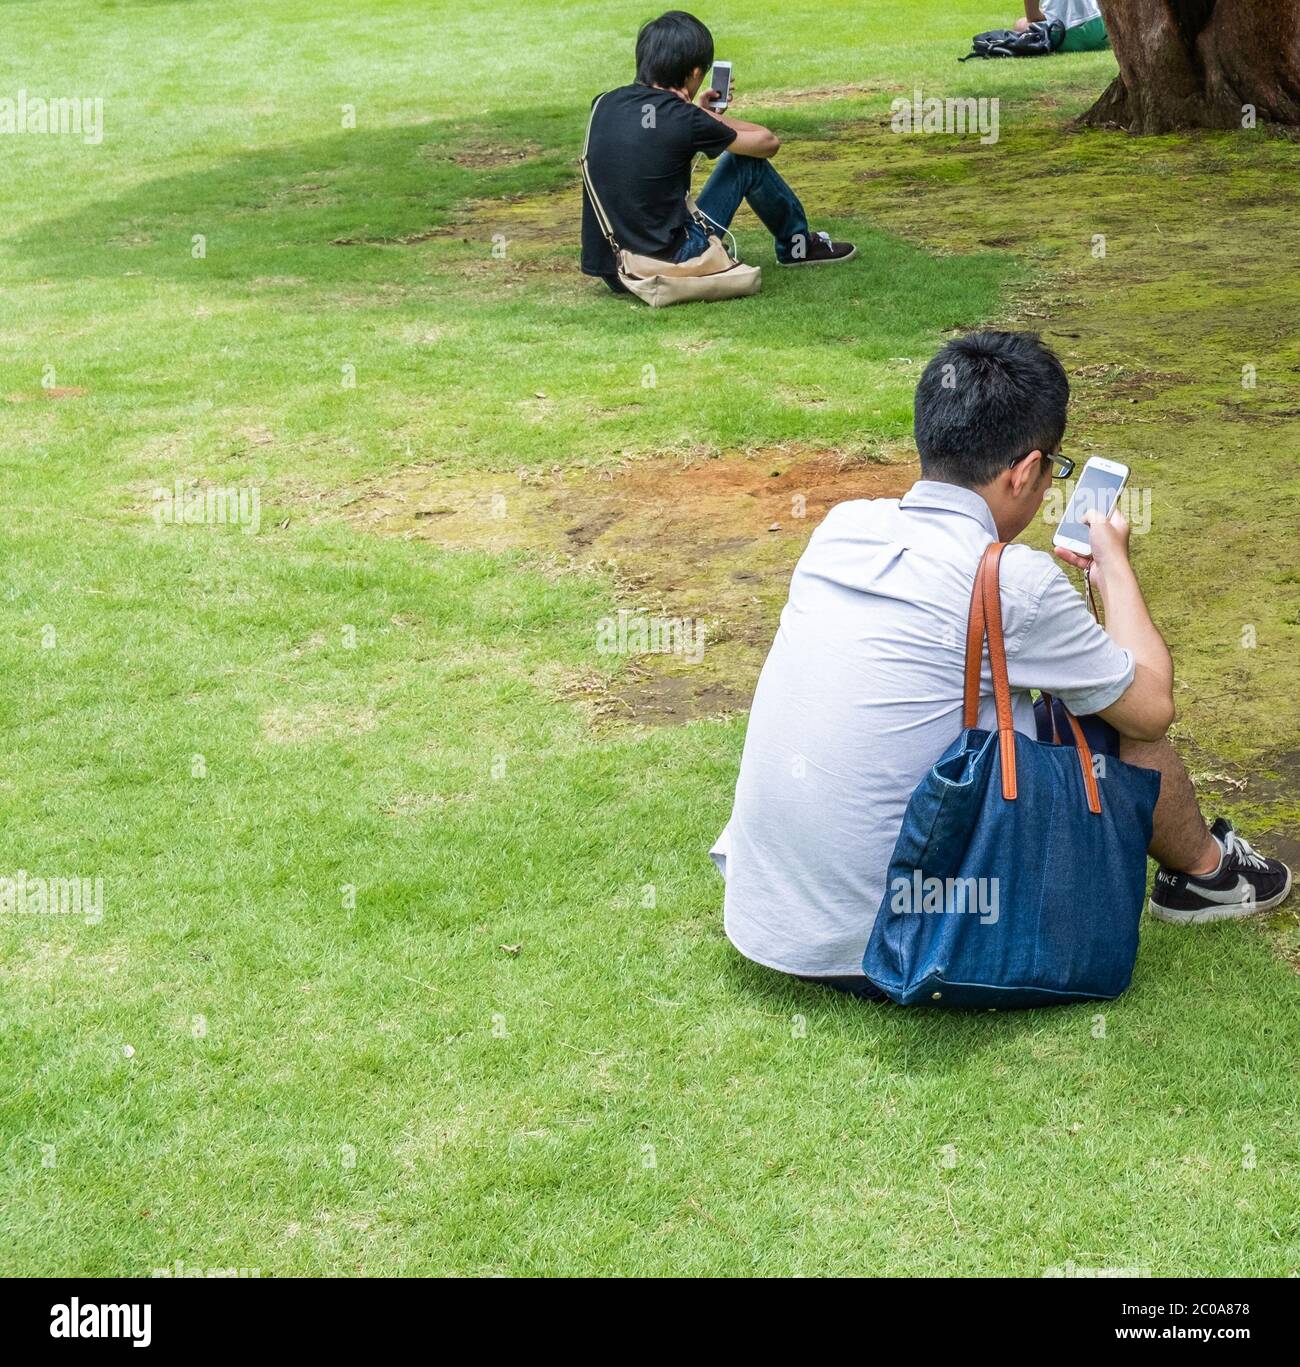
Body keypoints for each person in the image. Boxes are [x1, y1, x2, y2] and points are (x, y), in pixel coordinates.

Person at [710, 331, 1292, 1001]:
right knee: (1114, 709)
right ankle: (1209, 874)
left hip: (770, 922)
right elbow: (1150, 701)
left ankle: (1205, 872)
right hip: (903, 943)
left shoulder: (842, 527)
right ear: (1026, 471)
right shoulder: (1016, 580)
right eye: (1053, 473)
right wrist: (1114, 566)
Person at [580, 10, 854, 296]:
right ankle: (797, 246)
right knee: (745, 162)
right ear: (695, 72)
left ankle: (797, 246)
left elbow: (656, 132)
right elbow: (767, 142)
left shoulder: (604, 103)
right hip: (664, 266)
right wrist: (704, 117)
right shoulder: (682, 117)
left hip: (613, 268)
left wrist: (697, 115)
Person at [1015, 1, 1110, 52]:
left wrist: (1052, 14)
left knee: (1021, 24)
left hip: (1063, 37)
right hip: (1101, 32)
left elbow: (1033, 16)